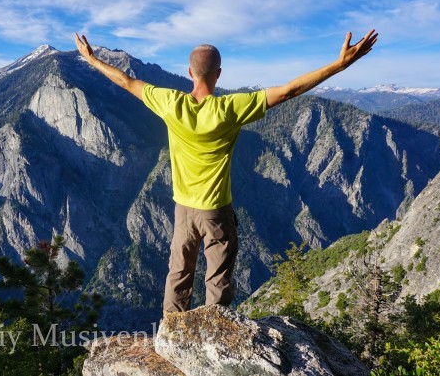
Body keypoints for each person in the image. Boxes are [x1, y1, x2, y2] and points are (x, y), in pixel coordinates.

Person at [74, 30, 378, 313]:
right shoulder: (229, 109)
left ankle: (172, 333)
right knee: (217, 280)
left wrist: (91, 59)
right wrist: (339, 65)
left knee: (178, 273)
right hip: (216, 213)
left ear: (189, 72)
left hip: (183, 210)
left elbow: (126, 81)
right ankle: (214, 339)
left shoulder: (169, 103)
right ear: (219, 74)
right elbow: (287, 91)